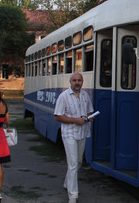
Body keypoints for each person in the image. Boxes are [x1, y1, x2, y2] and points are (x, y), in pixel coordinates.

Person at [54, 72, 94, 203]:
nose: (77, 83)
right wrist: (75, 120)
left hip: (82, 132)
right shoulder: (63, 97)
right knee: (72, 164)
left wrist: (90, 117)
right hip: (69, 133)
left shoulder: (85, 96)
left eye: (79, 80)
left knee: (78, 163)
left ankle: (67, 183)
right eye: (74, 80)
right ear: (70, 82)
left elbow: (89, 111)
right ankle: (73, 195)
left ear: (82, 82)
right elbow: (58, 116)